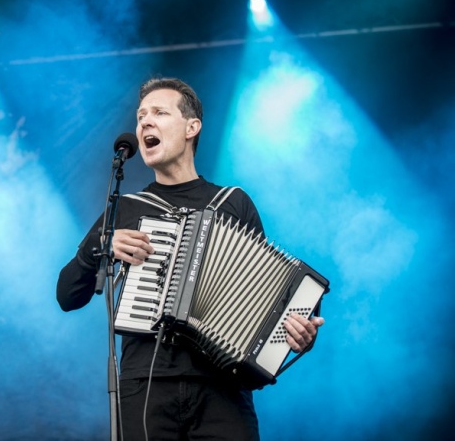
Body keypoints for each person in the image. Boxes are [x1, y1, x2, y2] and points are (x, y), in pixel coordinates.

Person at [56, 78, 325, 440]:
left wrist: (295, 334)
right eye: (140, 116)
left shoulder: (233, 202)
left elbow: (267, 300)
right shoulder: (127, 208)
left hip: (222, 388)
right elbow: (66, 295)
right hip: (144, 386)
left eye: (159, 113)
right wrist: (99, 247)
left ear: (191, 127)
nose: (144, 123)